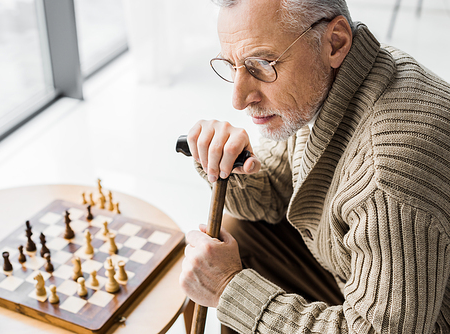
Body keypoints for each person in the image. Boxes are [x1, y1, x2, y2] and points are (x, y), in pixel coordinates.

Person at [179, 0, 450, 333]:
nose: (238, 98)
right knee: (239, 235)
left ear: (335, 42)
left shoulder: (387, 174)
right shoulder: (335, 81)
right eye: (232, 65)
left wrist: (230, 289)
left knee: (234, 278)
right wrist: (227, 163)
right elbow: (277, 195)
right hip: (355, 274)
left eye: (262, 64)